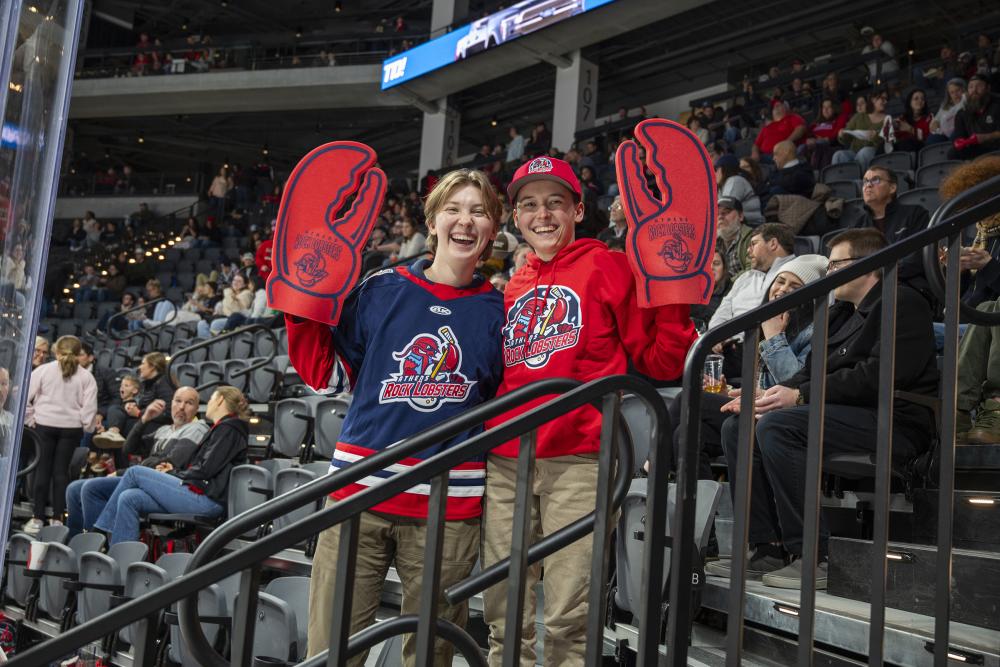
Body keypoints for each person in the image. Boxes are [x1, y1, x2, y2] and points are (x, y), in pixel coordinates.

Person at [481, 157, 697, 664]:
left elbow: (660, 359)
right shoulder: (515, 283)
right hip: (509, 458)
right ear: (515, 218)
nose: (543, 215)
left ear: (578, 208)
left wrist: (677, 299)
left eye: (555, 202)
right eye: (529, 205)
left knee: (566, 613)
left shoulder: (609, 265)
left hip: (580, 459)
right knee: (501, 604)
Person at [289, 169, 505, 666]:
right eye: (453, 209)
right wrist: (299, 308)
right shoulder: (381, 289)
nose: (464, 222)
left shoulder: (502, 311)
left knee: (429, 653)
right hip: (356, 495)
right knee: (330, 647)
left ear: (493, 229)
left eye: (478, 212)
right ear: (432, 221)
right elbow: (327, 376)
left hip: (448, 510)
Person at [716, 229, 938, 589]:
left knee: (777, 427)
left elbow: (877, 376)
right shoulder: (840, 314)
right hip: (848, 413)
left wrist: (801, 397)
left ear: (868, 266)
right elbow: (807, 372)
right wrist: (769, 395)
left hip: (894, 419)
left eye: (836, 263)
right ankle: (768, 547)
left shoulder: (902, 301)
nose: (829, 271)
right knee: (739, 425)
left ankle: (814, 555)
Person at [669, 254, 828, 480]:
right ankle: (699, 513)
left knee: (687, 399)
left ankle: (650, 470)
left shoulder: (813, 331)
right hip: (761, 410)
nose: (782, 289)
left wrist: (774, 338)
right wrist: (728, 394)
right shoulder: (771, 322)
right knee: (685, 433)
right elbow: (764, 385)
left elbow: (796, 382)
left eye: (795, 286)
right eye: (780, 281)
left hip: (784, 419)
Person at [92, 387, 248, 544]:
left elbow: (205, 469)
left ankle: (100, 532)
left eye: (211, 399)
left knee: (135, 473)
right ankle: (122, 559)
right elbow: (129, 448)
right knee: (129, 497)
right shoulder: (223, 428)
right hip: (198, 492)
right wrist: (175, 472)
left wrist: (174, 472)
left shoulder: (228, 428)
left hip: (208, 500)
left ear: (220, 400)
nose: (207, 403)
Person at [66, 387, 208, 537]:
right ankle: (76, 542)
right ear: (171, 403)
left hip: (163, 486)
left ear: (197, 408)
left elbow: (170, 462)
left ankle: (97, 540)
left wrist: (120, 473)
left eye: (189, 403)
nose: (181, 407)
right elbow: (128, 448)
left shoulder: (197, 429)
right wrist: (144, 418)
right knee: (74, 489)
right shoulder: (165, 430)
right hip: (139, 478)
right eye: (178, 401)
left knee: (91, 488)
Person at [938, 157, 1000, 443]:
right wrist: (955, 273)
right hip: (968, 320)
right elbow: (966, 298)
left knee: (989, 310)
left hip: (984, 323)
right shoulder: (981, 236)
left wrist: (988, 265)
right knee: (903, 325)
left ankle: (959, 410)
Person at [23, 336, 98, 535]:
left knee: (42, 470)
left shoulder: (43, 370)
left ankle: (37, 517)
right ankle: (57, 519)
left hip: (44, 425)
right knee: (61, 472)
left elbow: (25, 398)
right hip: (70, 429)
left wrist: (32, 419)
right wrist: (85, 427)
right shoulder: (86, 377)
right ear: (79, 353)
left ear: (56, 352)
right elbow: (89, 409)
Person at [708, 223, 797, 381]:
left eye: (754, 244)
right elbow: (722, 312)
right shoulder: (745, 277)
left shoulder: (795, 273)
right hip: (729, 348)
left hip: (761, 350)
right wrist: (717, 336)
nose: (748, 252)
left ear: (773, 244)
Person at [849, 166, 932, 303]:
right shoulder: (858, 226)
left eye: (875, 180)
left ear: (892, 188)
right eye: (865, 181)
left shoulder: (915, 214)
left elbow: (917, 258)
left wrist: (876, 273)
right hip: (867, 293)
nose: (868, 185)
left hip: (907, 288)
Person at [949, 74, 1000, 160]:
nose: (974, 90)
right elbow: (959, 138)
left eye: (979, 86)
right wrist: (961, 142)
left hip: (997, 147)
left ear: (988, 88)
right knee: (953, 153)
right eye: (971, 87)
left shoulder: (997, 105)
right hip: (978, 151)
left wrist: (986, 137)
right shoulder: (962, 114)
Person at [716, 154, 763, 226]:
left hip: (752, 225)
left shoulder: (735, 180)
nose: (714, 174)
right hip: (739, 224)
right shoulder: (722, 186)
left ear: (724, 169)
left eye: (717, 169)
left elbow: (725, 207)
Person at [691, 249, 732, 330]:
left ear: (724, 269)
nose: (711, 267)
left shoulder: (731, 291)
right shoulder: (692, 291)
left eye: (716, 264)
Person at [804, 98, 848, 170]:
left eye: (829, 107)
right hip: (811, 146)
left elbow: (835, 136)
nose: (825, 110)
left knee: (819, 145)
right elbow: (807, 135)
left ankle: (817, 173)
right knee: (802, 147)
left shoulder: (840, 118)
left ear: (834, 108)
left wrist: (821, 139)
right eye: (824, 107)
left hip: (831, 146)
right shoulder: (815, 124)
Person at [716, 196, 754, 277]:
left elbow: (751, 271)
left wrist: (725, 285)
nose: (720, 217)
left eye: (726, 212)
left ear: (740, 216)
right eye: (716, 214)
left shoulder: (753, 238)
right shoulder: (712, 244)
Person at [928, 78, 967, 143]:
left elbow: (965, 98)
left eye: (958, 90)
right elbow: (936, 119)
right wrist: (935, 123)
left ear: (963, 90)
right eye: (952, 92)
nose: (955, 94)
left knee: (955, 135)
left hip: (959, 131)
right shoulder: (945, 106)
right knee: (932, 139)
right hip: (943, 134)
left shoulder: (965, 101)